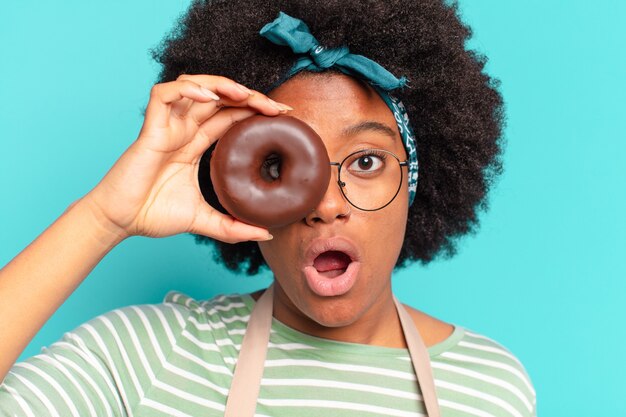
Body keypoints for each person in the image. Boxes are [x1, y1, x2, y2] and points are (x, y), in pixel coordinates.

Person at [0, 1, 536, 416]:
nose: (326, 205)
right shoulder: (151, 356)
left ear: (416, 180)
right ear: (235, 188)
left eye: (367, 161)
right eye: (277, 166)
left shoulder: (487, 386)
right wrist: (102, 218)